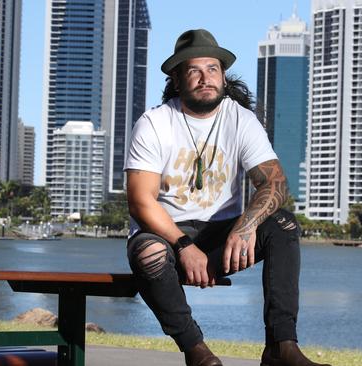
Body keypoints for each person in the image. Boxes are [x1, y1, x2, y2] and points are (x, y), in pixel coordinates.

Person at [124, 29, 331, 366]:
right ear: (177, 79)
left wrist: (245, 226)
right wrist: (183, 246)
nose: (206, 78)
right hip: (167, 237)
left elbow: (275, 183)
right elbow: (141, 202)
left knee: (283, 225)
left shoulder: (240, 119)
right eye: (194, 70)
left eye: (213, 69)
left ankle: (281, 346)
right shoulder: (154, 123)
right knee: (149, 253)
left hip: (223, 237)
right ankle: (196, 350)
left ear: (222, 75)